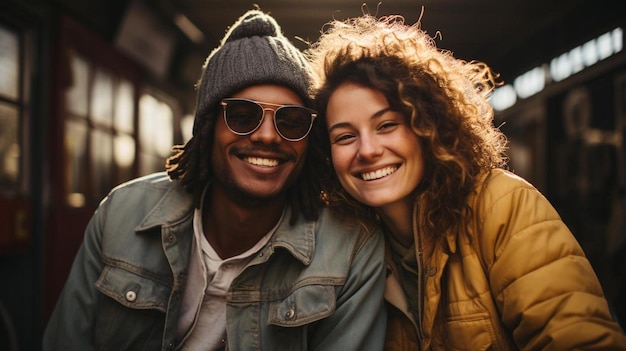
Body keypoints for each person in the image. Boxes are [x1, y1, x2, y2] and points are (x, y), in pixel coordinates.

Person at [43, 9, 387, 351]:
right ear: (208, 130)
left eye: (291, 121)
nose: (268, 136)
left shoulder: (350, 250)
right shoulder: (121, 214)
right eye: (242, 115)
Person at [307, 13, 626, 350]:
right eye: (344, 137)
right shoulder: (345, 244)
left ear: (426, 125)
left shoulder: (502, 205)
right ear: (326, 155)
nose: (368, 150)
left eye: (387, 125)